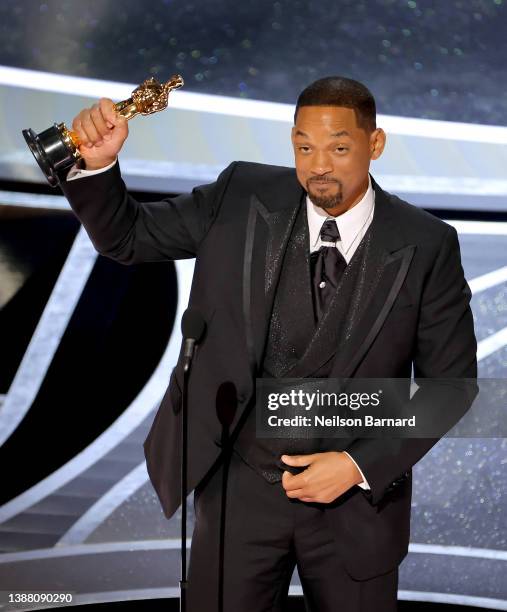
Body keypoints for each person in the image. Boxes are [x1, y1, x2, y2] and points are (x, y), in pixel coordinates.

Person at [60, 76, 477, 612]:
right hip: (239, 490)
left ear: (375, 145)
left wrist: (356, 466)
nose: (318, 164)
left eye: (338, 147)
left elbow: (451, 387)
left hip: (356, 504)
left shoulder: (426, 242)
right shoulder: (240, 196)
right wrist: (98, 166)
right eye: (304, 145)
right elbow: (128, 236)